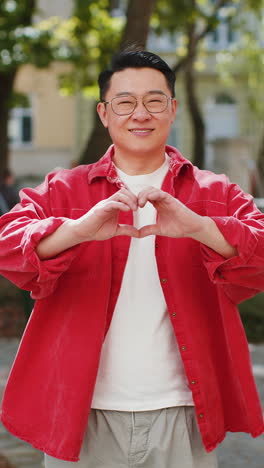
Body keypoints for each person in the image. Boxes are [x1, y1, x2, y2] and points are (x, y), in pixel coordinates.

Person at [0, 49, 263, 468]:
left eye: (154, 100)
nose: (140, 113)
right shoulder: (63, 191)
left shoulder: (215, 193)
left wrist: (199, 227)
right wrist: (77, 230)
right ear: (104, 113)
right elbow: (8, 245)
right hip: (80, 416)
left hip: (183, 413)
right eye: (125, 102)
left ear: (173, 109)